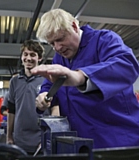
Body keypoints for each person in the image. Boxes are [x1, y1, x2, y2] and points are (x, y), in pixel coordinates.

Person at [31, 8, 139, 149]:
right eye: (52, 43)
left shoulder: (104, 40)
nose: (57, 47)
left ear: (74, 27)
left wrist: (80, 76)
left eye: (60, 39)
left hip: (115, 140)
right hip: (80, 142)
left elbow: (127, 65)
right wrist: (44, 96)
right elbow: (51, 84)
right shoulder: (60, 57)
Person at [7, 40, 59, 155]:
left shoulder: (47, 80)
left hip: (41, 142)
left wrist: (49, 137)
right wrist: (9, 137)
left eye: (33, 55)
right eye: (25, 54)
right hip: (19, 142)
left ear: (39, 58)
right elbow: (11, 110)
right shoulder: (14, 81)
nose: (28, 58)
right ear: (21, 57)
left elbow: (55, 109)